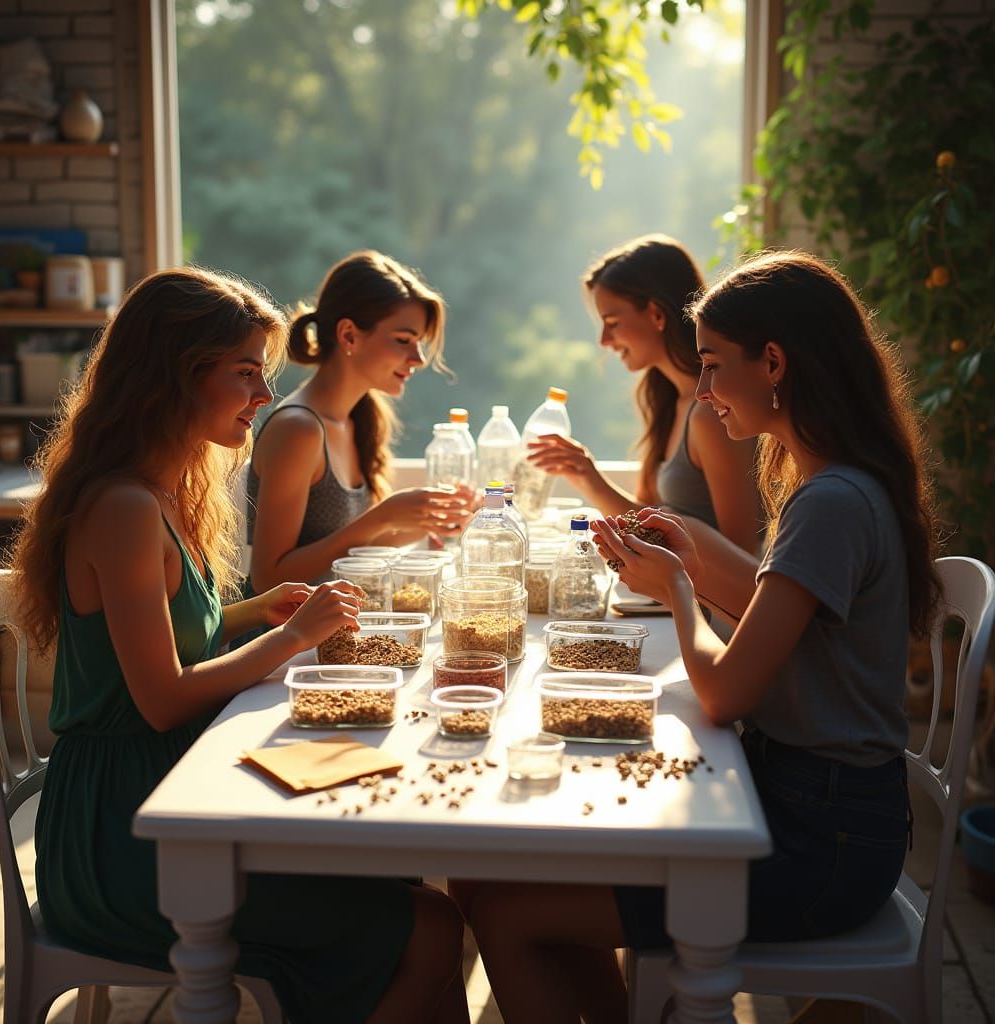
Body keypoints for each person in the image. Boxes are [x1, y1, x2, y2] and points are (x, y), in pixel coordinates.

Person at [457, 251, 940, 1024]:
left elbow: (722, 692)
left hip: (820, 844)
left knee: (506, 914)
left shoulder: (832, 503)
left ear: (774, 361)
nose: (705, 390)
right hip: (814, 809)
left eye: (714, 366)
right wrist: (689, 552)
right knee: (490, 883)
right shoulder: (835, 482)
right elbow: (776, 614)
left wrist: (677, 589)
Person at [7, 267, 468, 1024]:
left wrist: (254, 611)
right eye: (245, 373)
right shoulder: (123, 507)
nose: (264, 395)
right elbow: (160, 699)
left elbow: (175, 635)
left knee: (399, 882)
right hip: (126, 836)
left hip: (174, 793)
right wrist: (291, 635)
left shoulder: (162, 490)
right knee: (430, 926)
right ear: (173, 376)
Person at [246, 250, 474, 595]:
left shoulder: (361, 417)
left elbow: (350, 545)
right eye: (403, 340)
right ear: (349, 335)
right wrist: (382, 517)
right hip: (285, 642)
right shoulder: (299, 429)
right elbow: (268, 579)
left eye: (419, 343)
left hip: (331, 629)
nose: (418, 359)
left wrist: (430, 520)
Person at [526, 234, 762, 553]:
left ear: (656, 314)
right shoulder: (667, 401)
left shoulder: (710, 413)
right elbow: (651, 526)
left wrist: (590, 478)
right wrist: (584, 476)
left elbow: (741, 553)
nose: (604, 340)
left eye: (612, 322)